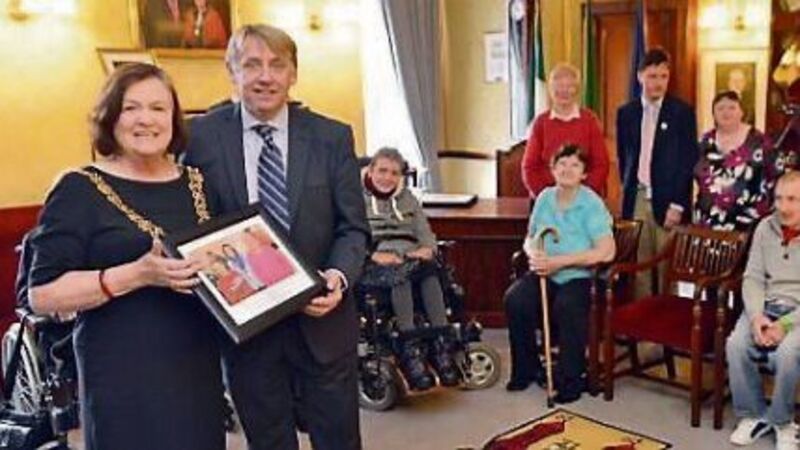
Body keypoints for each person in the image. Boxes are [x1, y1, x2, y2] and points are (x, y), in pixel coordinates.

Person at [184, 24, 369, 450]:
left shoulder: (332, 137)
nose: (265, 77)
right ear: (232, 72)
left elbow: (354, 227)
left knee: (339, 441)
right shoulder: (200, 137)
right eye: (252, 65)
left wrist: (337, 277)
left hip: (324, 322)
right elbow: (192, 223)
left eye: (277, 65)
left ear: (293, 73)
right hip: (249, 330)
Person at [26, 63, 224, 450]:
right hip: (121, 372)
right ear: (110, 117)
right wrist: (138, 274)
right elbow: (42, 294)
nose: (146, 119)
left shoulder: (199, 184)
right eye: (131, 108)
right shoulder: (78, 188)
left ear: (174, 119)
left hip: (196, 364)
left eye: (158, 108)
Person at [504, 144, 615, 404]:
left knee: (568, 305)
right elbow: (530, 238)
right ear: (553, 169)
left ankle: (570, 379)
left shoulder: (591, 204)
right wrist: (533, 254)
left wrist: (560, 262)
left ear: (584, 173)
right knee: (515, 300)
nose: (567, 170)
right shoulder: (544, 198)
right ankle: (527, 368)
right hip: (547, 273)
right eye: (562, 164)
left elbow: (607, 251)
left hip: (581, 276)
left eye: (575, 165)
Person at [360, 147, 460, 390]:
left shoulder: (409, 200)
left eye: (394, 173)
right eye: (382, 170)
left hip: (412, 257)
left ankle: (440, 346)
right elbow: (351, 237)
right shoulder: (357, 200)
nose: (387, 177)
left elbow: (426, 234)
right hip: (378, 262)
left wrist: (427, 249)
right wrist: (373, 255)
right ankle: (410, 351)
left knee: (430, 274)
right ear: (371, 171)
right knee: (401, 277)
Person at [726, 172, 800, 450]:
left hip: (797, 313)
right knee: (736, 344)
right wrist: (757, 315)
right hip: (766, 305)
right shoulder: (764, 228)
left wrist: (786, 325)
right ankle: (753, 414)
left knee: (787, 353)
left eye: (792, 199)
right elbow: (753, 277)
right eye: (779, 199)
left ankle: (782, 421)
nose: (783, 207)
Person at [616, 48, 698, 298]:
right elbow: (624, 157)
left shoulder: (682, 113)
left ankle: (667, 320)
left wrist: (679, 204)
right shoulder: (626, 113)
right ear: (640, 76)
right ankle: (643, 322)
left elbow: (688, 162)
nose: (658, 83)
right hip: (638, 197)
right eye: (652, 76)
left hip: (669, 201)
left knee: (666, 267)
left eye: (664, 76)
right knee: (639, 267)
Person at [522, 63, 610, 199]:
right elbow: (529, 167)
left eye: (569, 86)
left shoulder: (590, 121)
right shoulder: (540, 123)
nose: (564, 91)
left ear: (577, 90)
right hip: (547, 200)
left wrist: (580, 197)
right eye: (559, 86)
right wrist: (549, 197)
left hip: (584, 201)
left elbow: (601, 165)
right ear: (550, 90)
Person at [694, 91, 777, 231]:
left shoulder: (759, 141)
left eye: (732, 107)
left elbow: (776, 176)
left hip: (749, 221)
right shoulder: (704, 142)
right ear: (713, 113)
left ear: (741, 112)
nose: (726, 112)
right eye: (720, 108)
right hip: (709, 221)